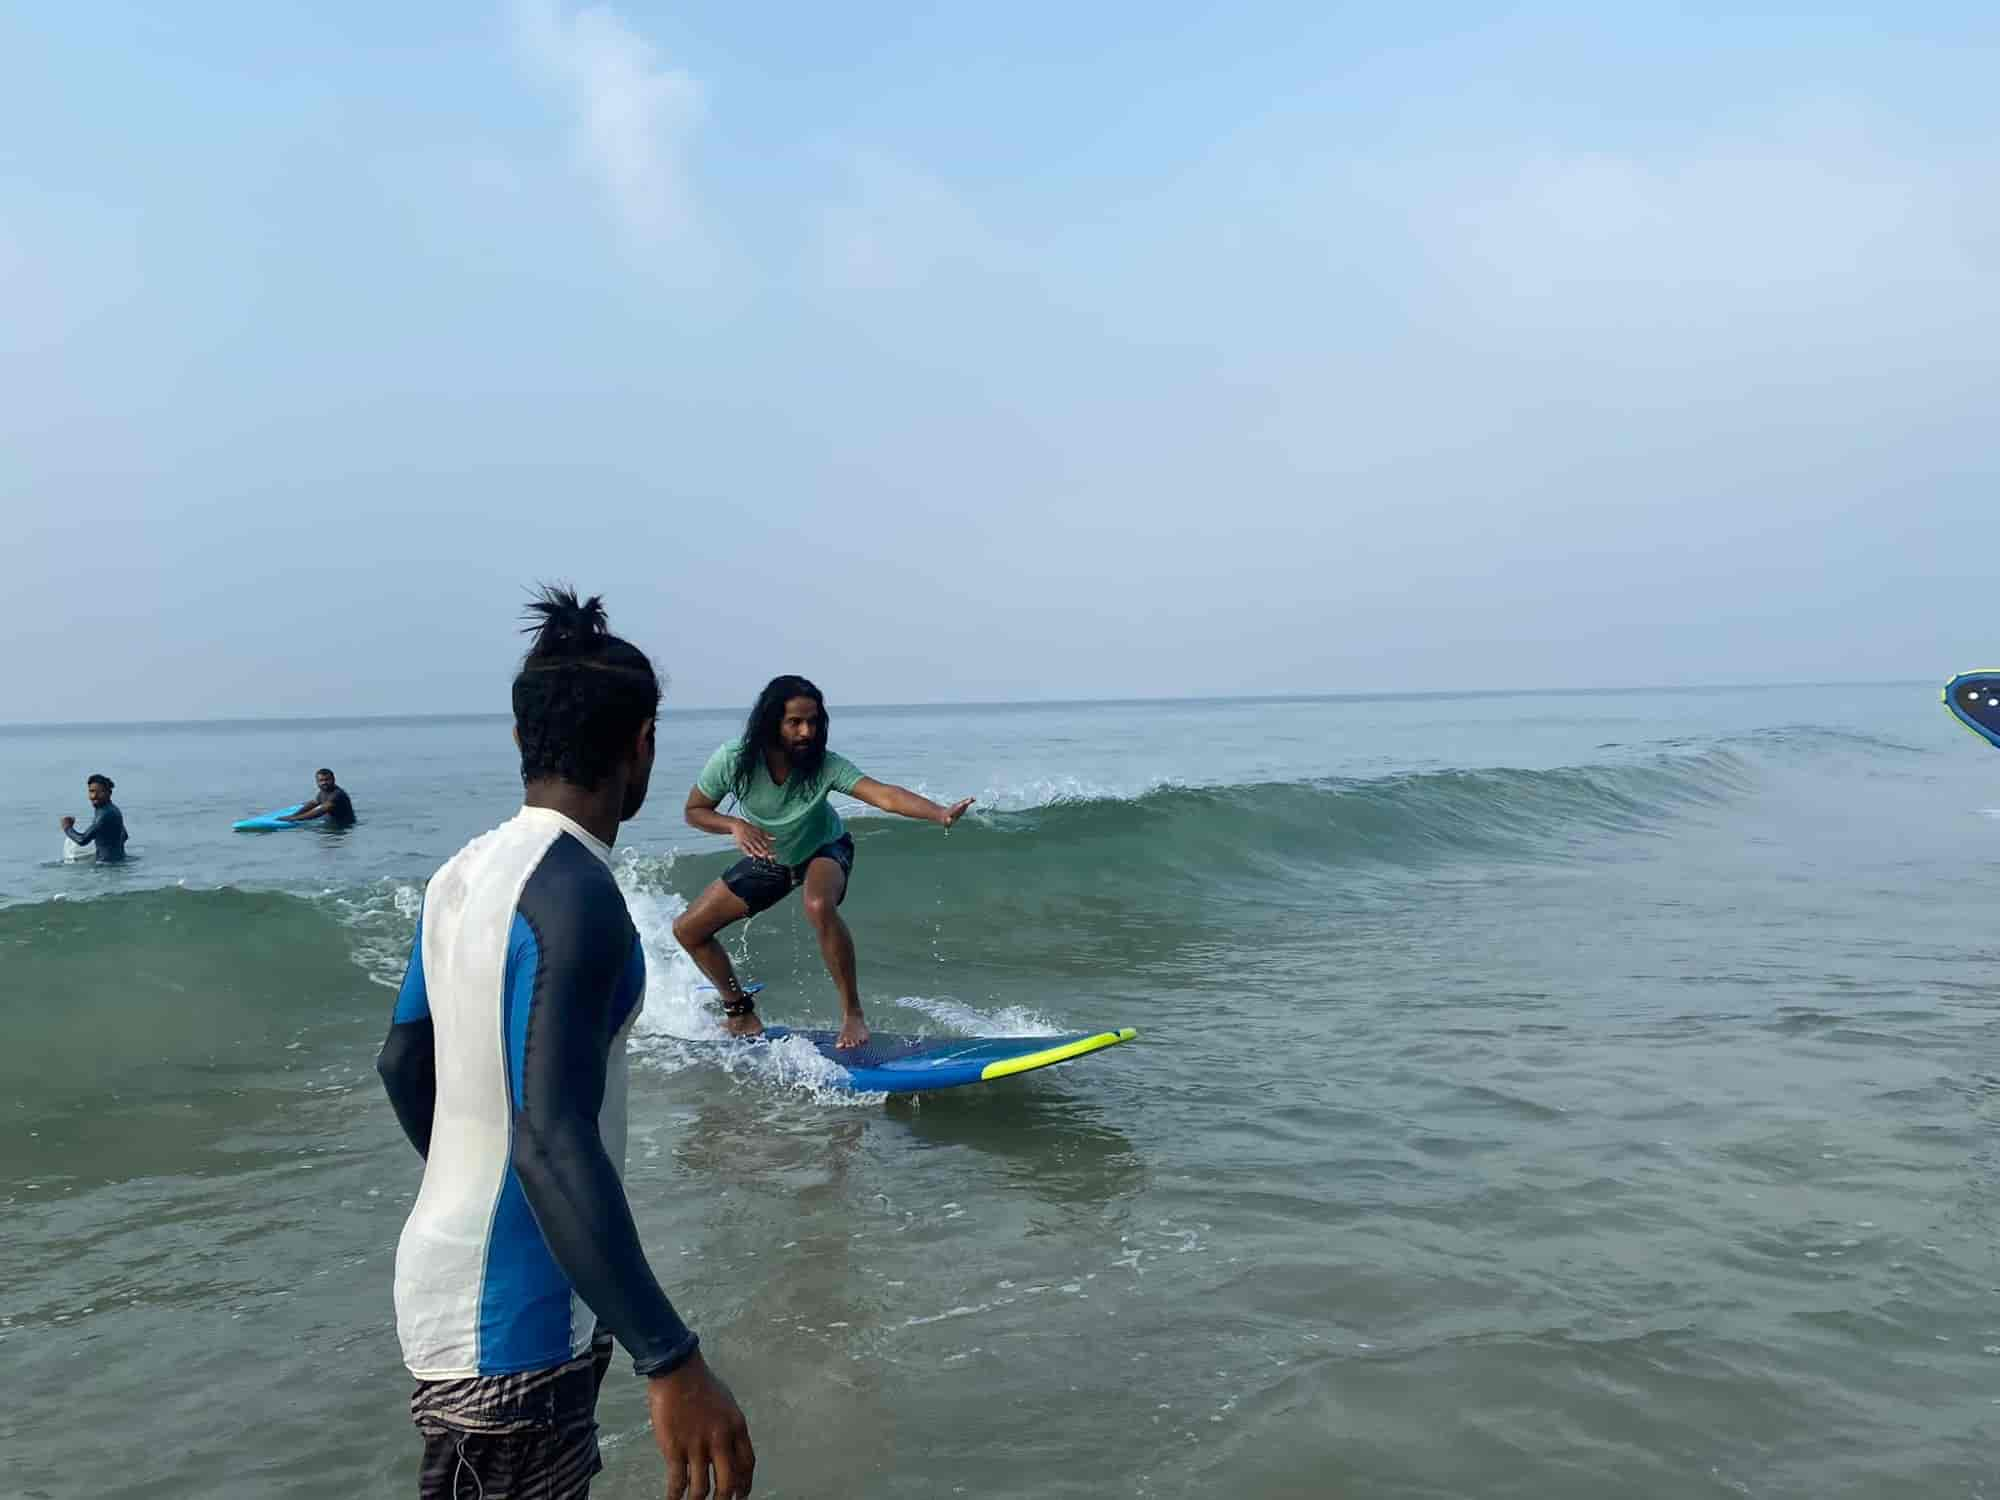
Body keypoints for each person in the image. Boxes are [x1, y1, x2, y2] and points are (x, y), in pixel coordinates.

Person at [375, 588, 754, 1500]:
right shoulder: (576, 894)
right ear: (644, 744)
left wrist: (477, 1190)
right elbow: (550, 1137)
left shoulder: (461, 875)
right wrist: (672, 1359)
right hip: (512, 1330)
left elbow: (404, 1064)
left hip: (450, 1284)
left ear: (520, 739)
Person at [673, 675, 974, 1050]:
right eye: (795, 722)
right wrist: (734, 824)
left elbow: (883, 795)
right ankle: (740, 1014)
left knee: (818, 904)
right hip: (773, 857)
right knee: (689, 930)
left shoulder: (824, 765)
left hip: (825, 848)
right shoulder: (734, 761)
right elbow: (695, 811)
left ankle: (853, 1014)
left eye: (813, 722)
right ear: (771, 721)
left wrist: (938, 813)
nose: (806, 732)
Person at [60, 774, 128, 863]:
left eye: (100, 792)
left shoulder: (104, 814)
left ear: (109, 793)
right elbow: (124, 835)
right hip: (119, 861)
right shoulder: (114, 810)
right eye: (91, 791)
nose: (94, 796)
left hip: (106, 868)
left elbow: (82, 840)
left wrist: (67, 827)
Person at [280, 768, 356, 827]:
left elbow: (321, 810)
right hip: (331, 822)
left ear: (333, 779)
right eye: (321, 780)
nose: (324, 783)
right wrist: (294, 815)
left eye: (327, 780)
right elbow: (314, 803)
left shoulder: (337, 794)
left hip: (344, 827)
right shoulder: (323, 792)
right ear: (317, 782)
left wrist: (294, 819)